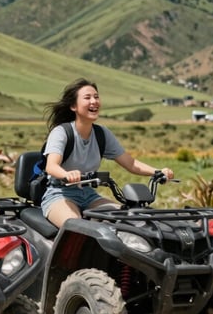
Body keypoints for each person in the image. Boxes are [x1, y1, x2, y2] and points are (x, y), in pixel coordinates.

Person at [41, 78, 174, 229]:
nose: (94, 101)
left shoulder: (101, 134)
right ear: (73, 106)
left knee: (124, 220)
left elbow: (131, 163)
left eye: (96, 97)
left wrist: (157, 172)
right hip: (59, 194)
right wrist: (67, 175)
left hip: (89, 195)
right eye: (87, 98)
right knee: (77, 227)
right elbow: (51, 166)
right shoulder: (62, 132)